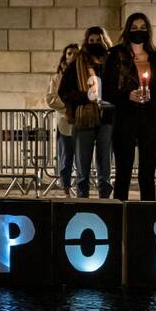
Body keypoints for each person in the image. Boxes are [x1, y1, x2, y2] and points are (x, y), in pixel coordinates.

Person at [103, 13, 156, 201]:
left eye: (142, 27)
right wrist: (127, 96)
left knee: (147, 174)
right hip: (125, 118)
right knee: (123, 173)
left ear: (148, 31)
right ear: (127, 31)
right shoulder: (116, 56)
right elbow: (106, 91)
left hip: (150, 119)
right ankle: (120, 216)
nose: (138, 31)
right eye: (134, 28)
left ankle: (147, 217)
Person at [58, 27, 114, 198]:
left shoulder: (112, 63)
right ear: (86, 42)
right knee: (82, 163)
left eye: (98, 40)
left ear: (104, 42)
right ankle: (83, 198)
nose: (95, 44)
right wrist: (85, 97)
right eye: (91, 41)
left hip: (107, 118)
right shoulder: (77, 64)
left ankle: (105, 197)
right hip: (84, 118)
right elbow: (64, 91)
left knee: (105, 163)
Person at [47, 43, 79, 196]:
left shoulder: (84, 74)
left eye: (75, 53)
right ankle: (66, 188)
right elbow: (51, 98)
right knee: (66, 157)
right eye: (69, 53)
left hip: (82, 121)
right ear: (65, 57)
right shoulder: (57, 78)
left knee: (81, 158)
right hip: (65, 123)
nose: (72, 55)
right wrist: (68, 107)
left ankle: (81, 188)